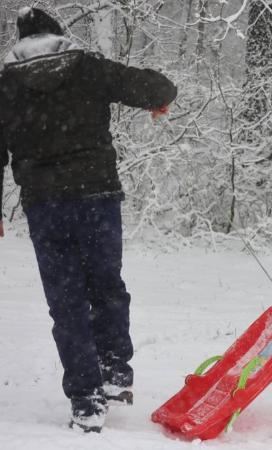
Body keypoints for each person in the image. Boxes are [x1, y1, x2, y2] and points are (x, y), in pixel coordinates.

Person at [0, 7, 177, 432]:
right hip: (97, 197)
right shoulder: (87, 68)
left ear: (19, 42)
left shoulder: (6, 86)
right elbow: (157, 86)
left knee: (66, 302)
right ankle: (114, 372)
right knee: (107, 285)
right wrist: (160, 100)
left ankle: (86, 400)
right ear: (58, 34)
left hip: (45, 205)